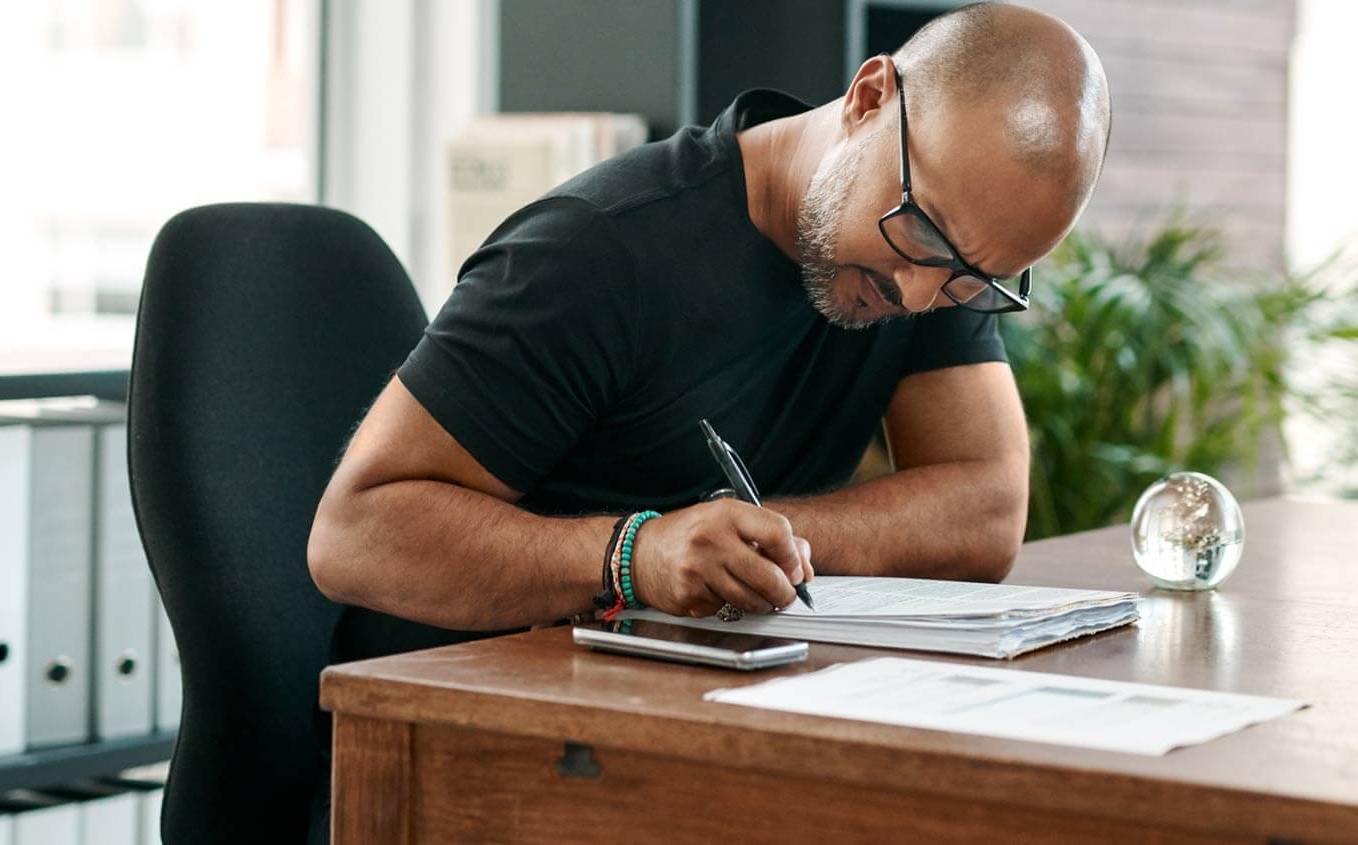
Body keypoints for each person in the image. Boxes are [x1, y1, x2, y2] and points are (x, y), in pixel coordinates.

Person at [308, 2, 1112, 636]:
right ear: (869, 100)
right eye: (922, 232)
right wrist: (634, 554)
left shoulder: (939, 251)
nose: (914, 294)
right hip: (467, 695)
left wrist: (756, 542)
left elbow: (986, 509)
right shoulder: (596, 251)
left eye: (976, 279)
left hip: (681, 692)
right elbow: (353, 534)